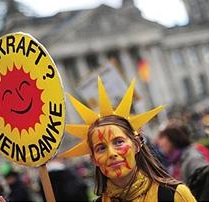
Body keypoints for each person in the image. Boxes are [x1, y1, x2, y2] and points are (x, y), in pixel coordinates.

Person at [59, 77, 196, 202]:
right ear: (94, 159)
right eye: (101, 148)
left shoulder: (175, 195)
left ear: (136, 144)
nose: (112, 153)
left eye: (119, 142)